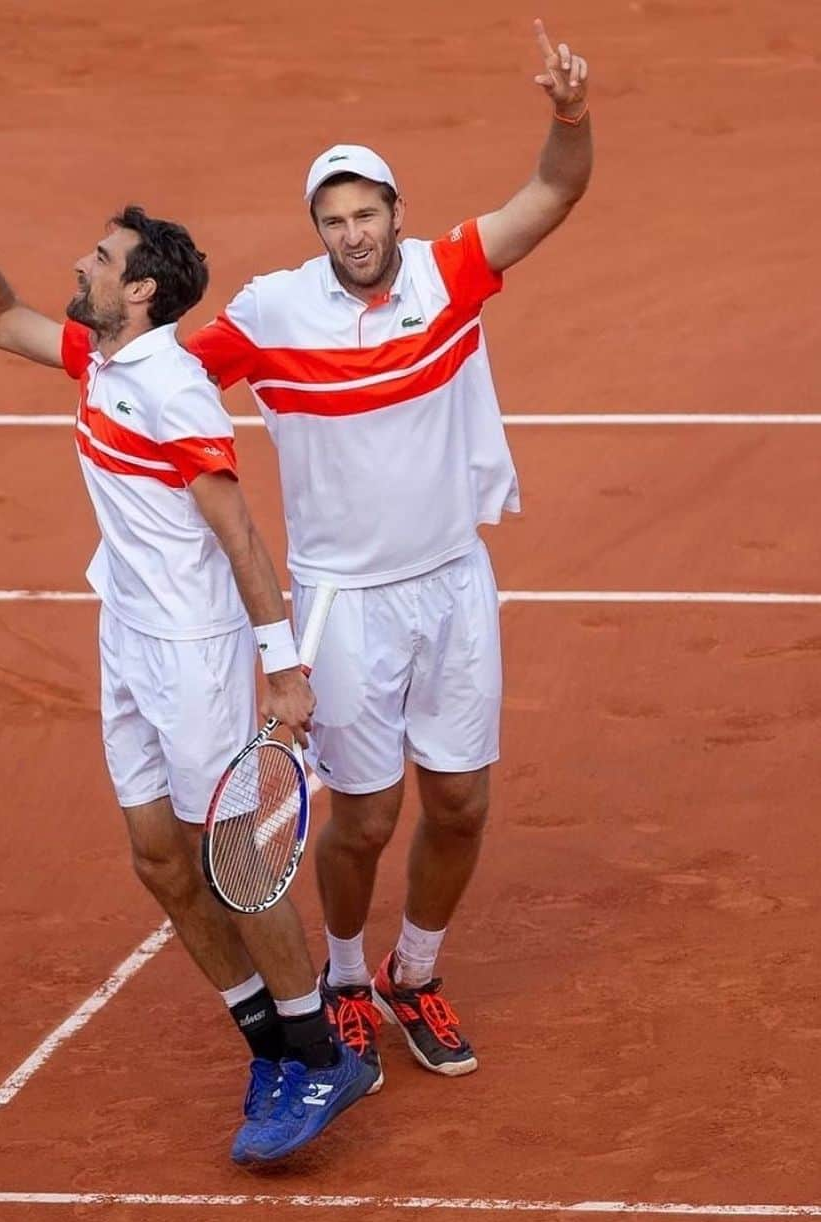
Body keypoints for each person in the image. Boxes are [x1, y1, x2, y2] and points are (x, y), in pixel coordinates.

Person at [185, 20, 593, 1091]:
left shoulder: (449, 273)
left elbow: (552, 195)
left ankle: (418, 971)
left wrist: (569, 114)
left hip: (453, 582)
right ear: (316, 228)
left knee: (460, 803)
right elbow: (176, 381)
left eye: (367, 213)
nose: (353, 232)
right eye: (335, 219)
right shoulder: (274, 309)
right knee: (363, 819)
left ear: (395, 216)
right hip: (344, 603)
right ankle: (350, 979)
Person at [0, 162, 376, 1163]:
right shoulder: (99, 359)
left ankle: (319, 1057)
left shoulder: (177, 391)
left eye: (100, 258)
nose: (82, 266)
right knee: (156, 857)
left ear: (140, 291)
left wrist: (282, 671)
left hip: (194, 652)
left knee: (237, 869)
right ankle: (268, 1044)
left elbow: (240, 533)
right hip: (126, 633)